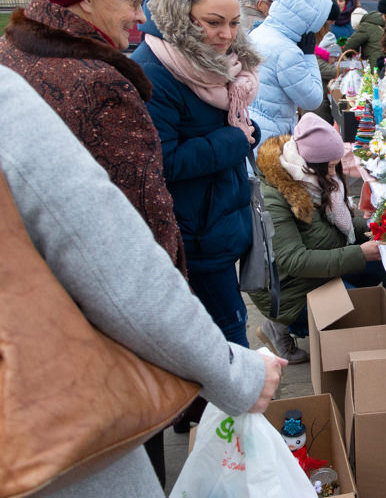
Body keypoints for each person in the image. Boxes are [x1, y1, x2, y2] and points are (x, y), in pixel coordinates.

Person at [0, 64, 287, 497]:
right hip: (50, 432)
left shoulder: (22, 63)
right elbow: (119, 273)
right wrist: (237, 377)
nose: (136, 11)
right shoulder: (27, 100)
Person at [0, 0, 186, 483]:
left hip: (43, 301)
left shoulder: (14, 52)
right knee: (130, 438)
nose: (140, 14)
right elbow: (138, 220)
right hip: (106, 313)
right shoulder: (99, 81)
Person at [131, 0, 261, 349]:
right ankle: (234, 411)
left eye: (234, 24)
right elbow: (163, 161)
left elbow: (223, 125)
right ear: (179, 18)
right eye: (213, 23)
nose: (226, 35)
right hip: (195, 234)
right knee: (228, 337)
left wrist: (244, 128)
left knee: (226, 328)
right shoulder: (156, 72)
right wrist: (237, 138)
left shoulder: (215, 63)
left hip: (219, 220)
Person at [250, 114, 385, 362]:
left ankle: (333, 323)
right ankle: (283, 326)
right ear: (311, 162)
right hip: (287, 290)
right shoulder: (275, 197)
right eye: (330, 167)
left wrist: (376, 225)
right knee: (350, 305)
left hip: (309, 271)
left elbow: (334, 226)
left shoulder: (308, 177)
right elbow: (295, 261)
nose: (334, 173)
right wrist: (359, 253)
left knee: (378, 267)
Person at [248, 0, 334, 142]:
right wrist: (309, 55)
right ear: (309, 19)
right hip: (272, 135)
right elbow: (312, 99)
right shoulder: (287, 51)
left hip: (253, 124)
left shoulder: (259, 32)